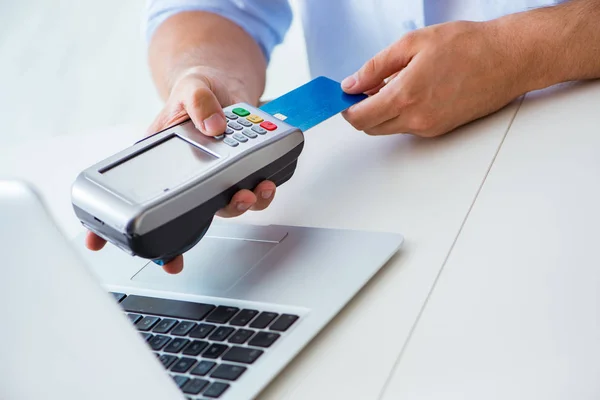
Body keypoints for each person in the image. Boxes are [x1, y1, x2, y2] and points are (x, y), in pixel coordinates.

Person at [86, 0, 600, 273]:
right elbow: (212, 6)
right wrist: (203, 72)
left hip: (574, 190)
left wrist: (519, 51)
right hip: (365, 202)